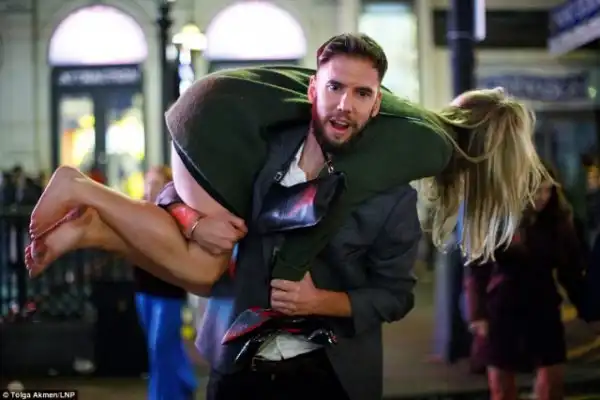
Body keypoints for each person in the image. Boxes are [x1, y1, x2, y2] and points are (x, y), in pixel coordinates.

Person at [27, 34, 548, 399]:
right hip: (240, 366)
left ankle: (95, 228)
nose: (346, 105)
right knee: (206, 266)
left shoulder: (395, 185)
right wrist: (274, 264)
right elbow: (330, 198)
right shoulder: (295, 146)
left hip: (328, 375)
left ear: (374, 105)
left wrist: (321, 300)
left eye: (361, 94)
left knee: (206, 267)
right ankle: (88, 204)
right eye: (336, 89)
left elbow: (394, 294)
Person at [465, 163, 598, 400]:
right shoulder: (497, 221)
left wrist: (590, 311)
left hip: (543, 306)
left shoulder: (558, 222)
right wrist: (478, 314)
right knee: (502, 386)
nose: (542, 197)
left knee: (552, 380)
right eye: (535, 191)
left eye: (547, 190)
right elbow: (477, 271)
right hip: (503, 308)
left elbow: (571, 272)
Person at [134, 166, 197, 400]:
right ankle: (184, 383)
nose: (150, 188)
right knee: (163, 347)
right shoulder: (136, 211)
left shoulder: (176, 215)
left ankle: (162, 396)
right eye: (148, 183)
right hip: (143, 290)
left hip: (168, 292)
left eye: (156, 183)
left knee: (160, 346)